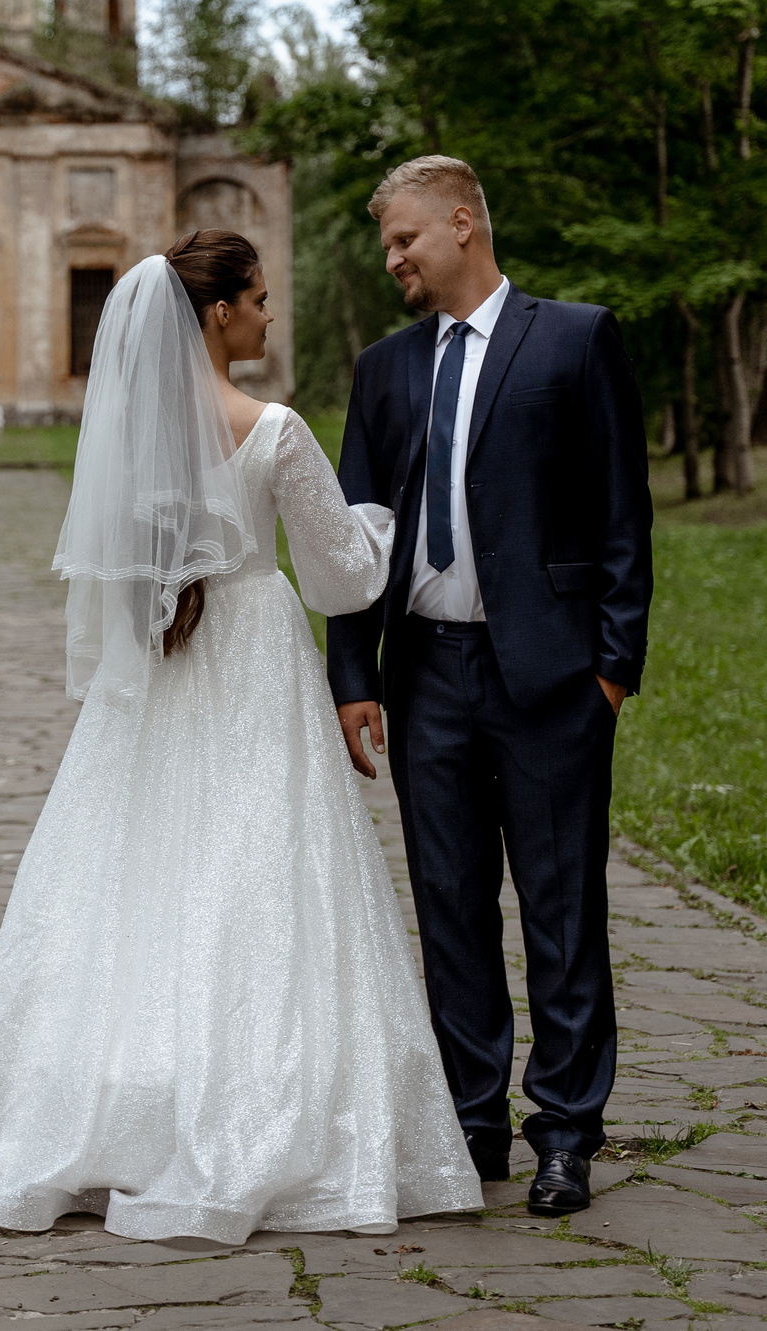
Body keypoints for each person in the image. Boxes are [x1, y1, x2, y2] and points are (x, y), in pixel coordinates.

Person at [0, 231, 481, 1242]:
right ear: (217, 313)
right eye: (259, 299)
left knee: (143, 866)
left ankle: (115, 1100)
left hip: (161, 671)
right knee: (259, 863)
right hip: (253, 658)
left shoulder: (134, 431)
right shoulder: (273, 428)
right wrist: (381, 521)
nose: (268, 315)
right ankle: (258, 1098)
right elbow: (342, 577)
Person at [326, 156, 653, 1217]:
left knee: (562, 909)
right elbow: (353, 536)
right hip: (425, 676)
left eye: (405, 239)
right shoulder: (383, 369)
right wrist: (353, 673)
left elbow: (621, 514)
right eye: (387, 244)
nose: (393, 259)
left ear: (462, 223)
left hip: (551, 679)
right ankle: (472, 1126)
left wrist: (611, 671)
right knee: (451, 907)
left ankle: (564, 1130)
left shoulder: (574, 340)